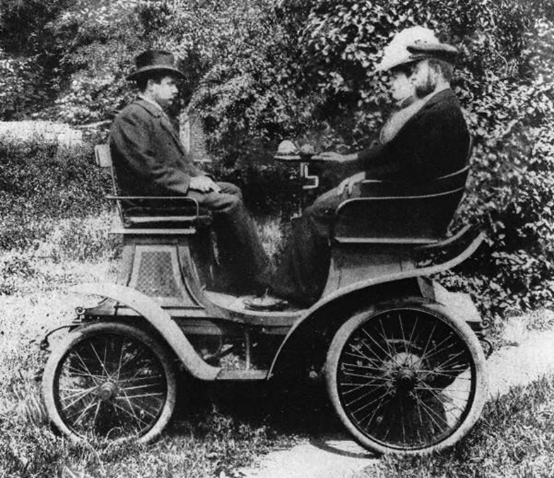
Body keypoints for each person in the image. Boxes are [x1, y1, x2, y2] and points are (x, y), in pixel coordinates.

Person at [247, 26, 471, 309]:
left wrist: (365, 176)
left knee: (315, 213)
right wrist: (351, 162)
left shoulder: (440, 113)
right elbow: (397, 155)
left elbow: (413, 169)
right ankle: (308, 289)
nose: (413, 76)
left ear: (436, 70)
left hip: (406, 210)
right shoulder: (440, 107)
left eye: (417, 69)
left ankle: (288, 293)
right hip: (412, 205)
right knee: (324, 202)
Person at [110, 49, 269, 292]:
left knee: (231, 191)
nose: (176, 90)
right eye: (170, 84)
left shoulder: (154, 115)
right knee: (229, 204)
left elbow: (181, 161)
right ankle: (261, 278)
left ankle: (233, 276)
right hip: (149, 200)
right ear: (151, 85)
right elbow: (145, 169)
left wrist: (200, 177)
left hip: (164, 192)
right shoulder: (131, 118)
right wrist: (190, 183)